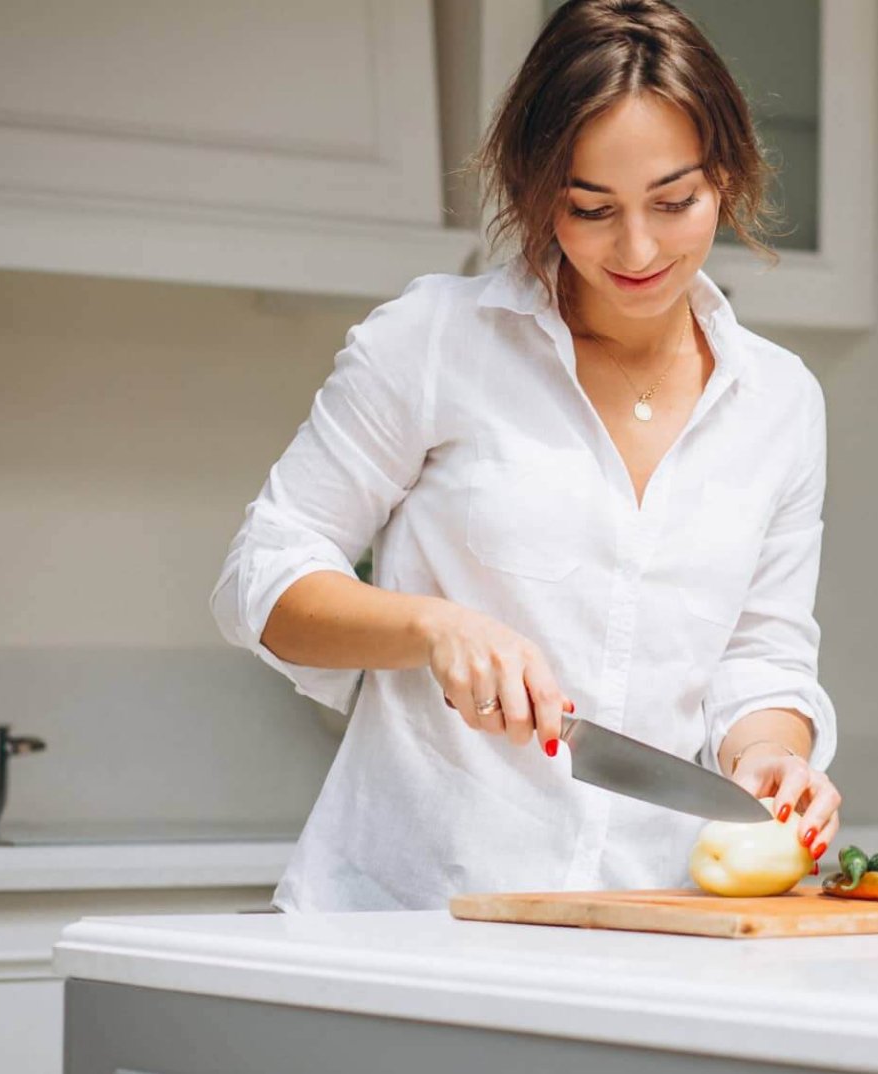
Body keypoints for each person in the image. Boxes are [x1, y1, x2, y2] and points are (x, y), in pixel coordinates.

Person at [211, 0, 840, 912]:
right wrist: (434, 627)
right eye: (592, 208)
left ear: (730, 177)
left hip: (644, 928)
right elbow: (260, 579)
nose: (637, 249)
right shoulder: (432, 342)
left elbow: (762, 656)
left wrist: (773, 759)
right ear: (540, 190)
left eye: (675, 202)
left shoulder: (780, 402)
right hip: (406, 916)